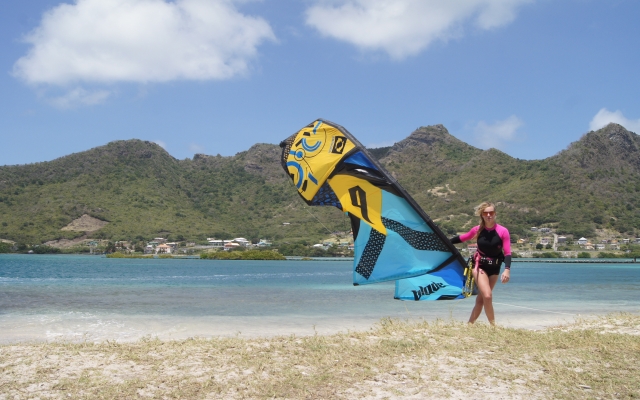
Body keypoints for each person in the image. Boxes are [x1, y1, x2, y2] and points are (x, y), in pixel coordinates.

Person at [450, 202, 511, 326]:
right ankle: (494, 327)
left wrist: (507, 270)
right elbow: (463, 238)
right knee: (487, 296)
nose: (489, 215)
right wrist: (445, 242)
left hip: (495, 268)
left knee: (481, 299)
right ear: (482, 215)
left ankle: (470, 325)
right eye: (485, 213)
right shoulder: (477, 230)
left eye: (491, 213)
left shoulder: (502, 231)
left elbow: (508, 252)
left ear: (495, 214)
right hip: (479, 266)